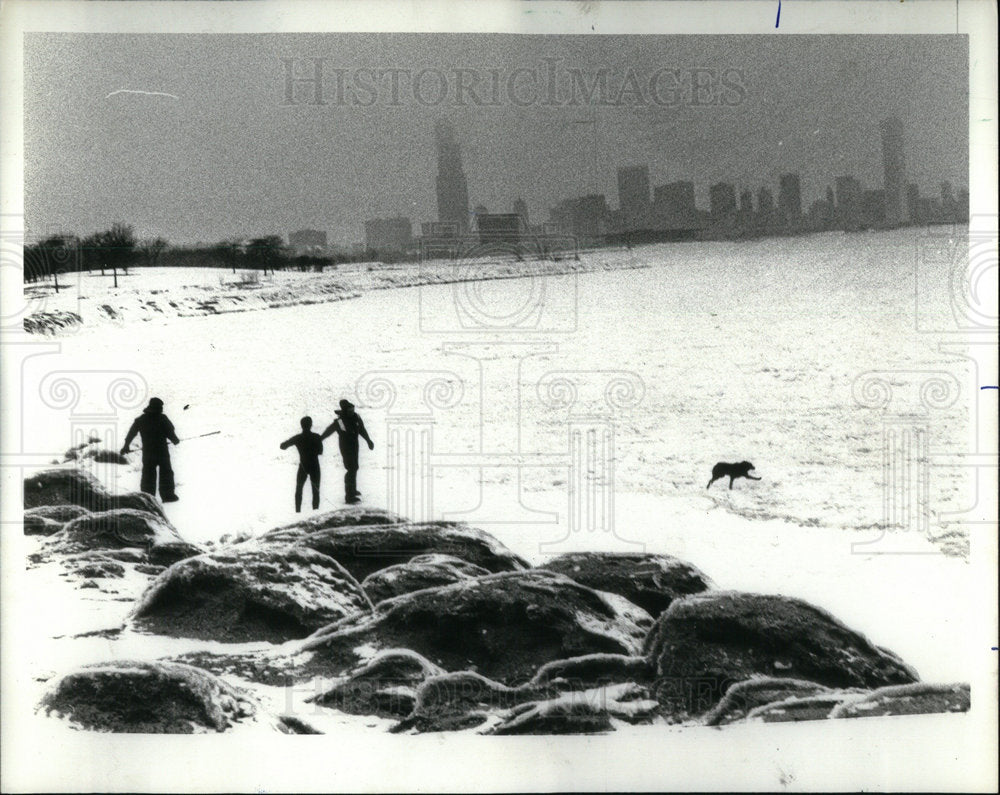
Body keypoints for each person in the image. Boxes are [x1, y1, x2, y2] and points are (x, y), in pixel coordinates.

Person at [121, 397, 180, 502]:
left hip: (148, 452)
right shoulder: (162, 418)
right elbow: (170, 432)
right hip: (162, 452)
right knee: (166, 472)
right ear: (158, 407)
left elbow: (131, 433)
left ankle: (147, 498)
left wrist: (126, 446)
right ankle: (168, 496)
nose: (162, 409)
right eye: (161, 407)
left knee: (148, 474)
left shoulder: (141, 420)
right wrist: (175, 440)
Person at [321, 399, 374, 504]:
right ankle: (349, 496)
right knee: (351, 468)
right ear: (345, 410)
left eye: (353, 409)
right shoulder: (340, 421)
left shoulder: (357, 417)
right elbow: (330, 431)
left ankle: (353, 490)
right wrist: (320, 439)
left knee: (355, 467)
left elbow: (361, 429)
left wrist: (368, 440)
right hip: (345, 446)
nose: (352, 412)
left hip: (354, 445)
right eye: (349, 410)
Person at [280, 416, 324, 512]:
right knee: (315, 490)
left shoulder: (298, 438)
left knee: (299, 488)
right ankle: (315, 511)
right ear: (311, 425)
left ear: (301, 426)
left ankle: (298, 511)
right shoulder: (316, 437)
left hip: (303, 466)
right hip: (314, 465)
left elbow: (282, 446)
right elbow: (320, 451)